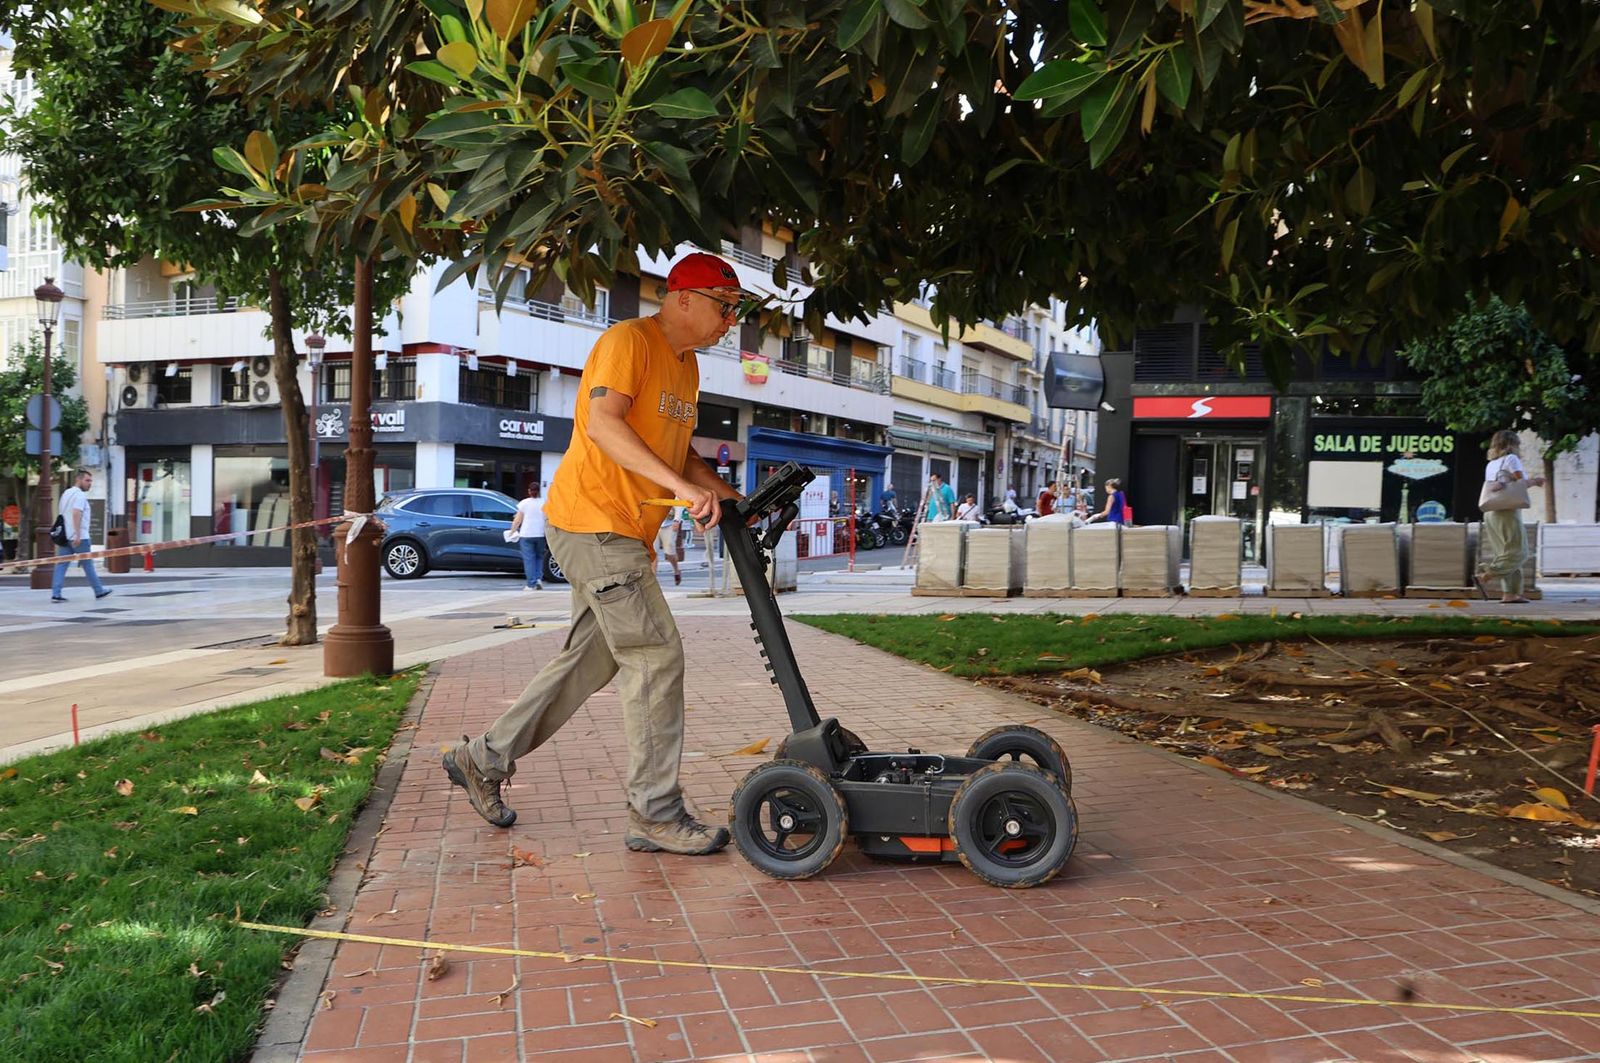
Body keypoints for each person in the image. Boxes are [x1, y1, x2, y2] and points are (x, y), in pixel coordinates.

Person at [443, 252, 745, 856]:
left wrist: (730, 497)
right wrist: (686, 492)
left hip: (619, 531)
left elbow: (677, 453)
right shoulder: (629, 342)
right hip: (594, 523)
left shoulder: (685, 369)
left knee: (592, 660)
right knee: (656, 655)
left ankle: (483, 758)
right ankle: (654, 813)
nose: (730, 321)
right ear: (682, 297)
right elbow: (604, 424)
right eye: (724, 304)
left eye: (734, 309)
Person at [1478, 429, 1544, 604]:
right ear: (1511, 444)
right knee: (1519, 553)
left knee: (1505, 553)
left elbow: (1499, 486)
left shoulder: (1491, 464)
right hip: (1506, 511)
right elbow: (1520, 483)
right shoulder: (1511, 459)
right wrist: (1536, 481)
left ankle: (1511, 594)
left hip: (1491, 512)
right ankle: (1486, 575)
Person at [51, 469, 111, 603]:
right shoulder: (80, 496)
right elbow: (76, 513)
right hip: (80, 537)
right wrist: (77, 534)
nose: (90, 484)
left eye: (91, 481)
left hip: (65, 536)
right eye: (87, 480)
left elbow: (63, 514)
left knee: (61, 565)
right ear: (79, 480)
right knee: (88, 564)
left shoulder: (66, 493)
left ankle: (56, 593)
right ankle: (99, 590)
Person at [511, 481, 547, 591]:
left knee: (529, 559)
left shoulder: (524, 503)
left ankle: (531, 584)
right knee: (539, 557)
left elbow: (518, 519)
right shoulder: (544, 502)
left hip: (526, 534)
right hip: (540, 534)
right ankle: (538, 579)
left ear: (529, 491)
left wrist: (512, 531)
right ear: (539, 491)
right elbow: (548, 519)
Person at [657, 506, 684, 585]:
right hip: (653, 523)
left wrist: (676, 520)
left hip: (669, 523)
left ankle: (676, 570)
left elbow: (678, 503)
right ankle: (653, 579)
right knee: (652, 553)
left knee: (669, 553)